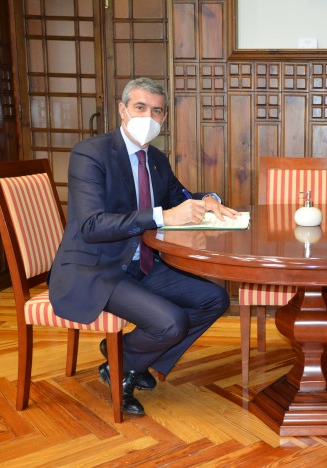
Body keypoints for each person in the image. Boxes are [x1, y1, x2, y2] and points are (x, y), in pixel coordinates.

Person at [48, 77, 238, 416]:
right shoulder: (90, 154)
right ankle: (125, 367)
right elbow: (92, 226)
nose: (148, 117)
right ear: (122, 110)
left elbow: (180, 198)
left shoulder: (156, 160)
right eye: (140, 107)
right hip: (95, 269)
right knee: (171, 323)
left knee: (215, 298)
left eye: (157, 111)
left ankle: (130, 361)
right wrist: (163, 216)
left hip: (142, 264)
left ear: (163, 119)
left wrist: (208, 200)